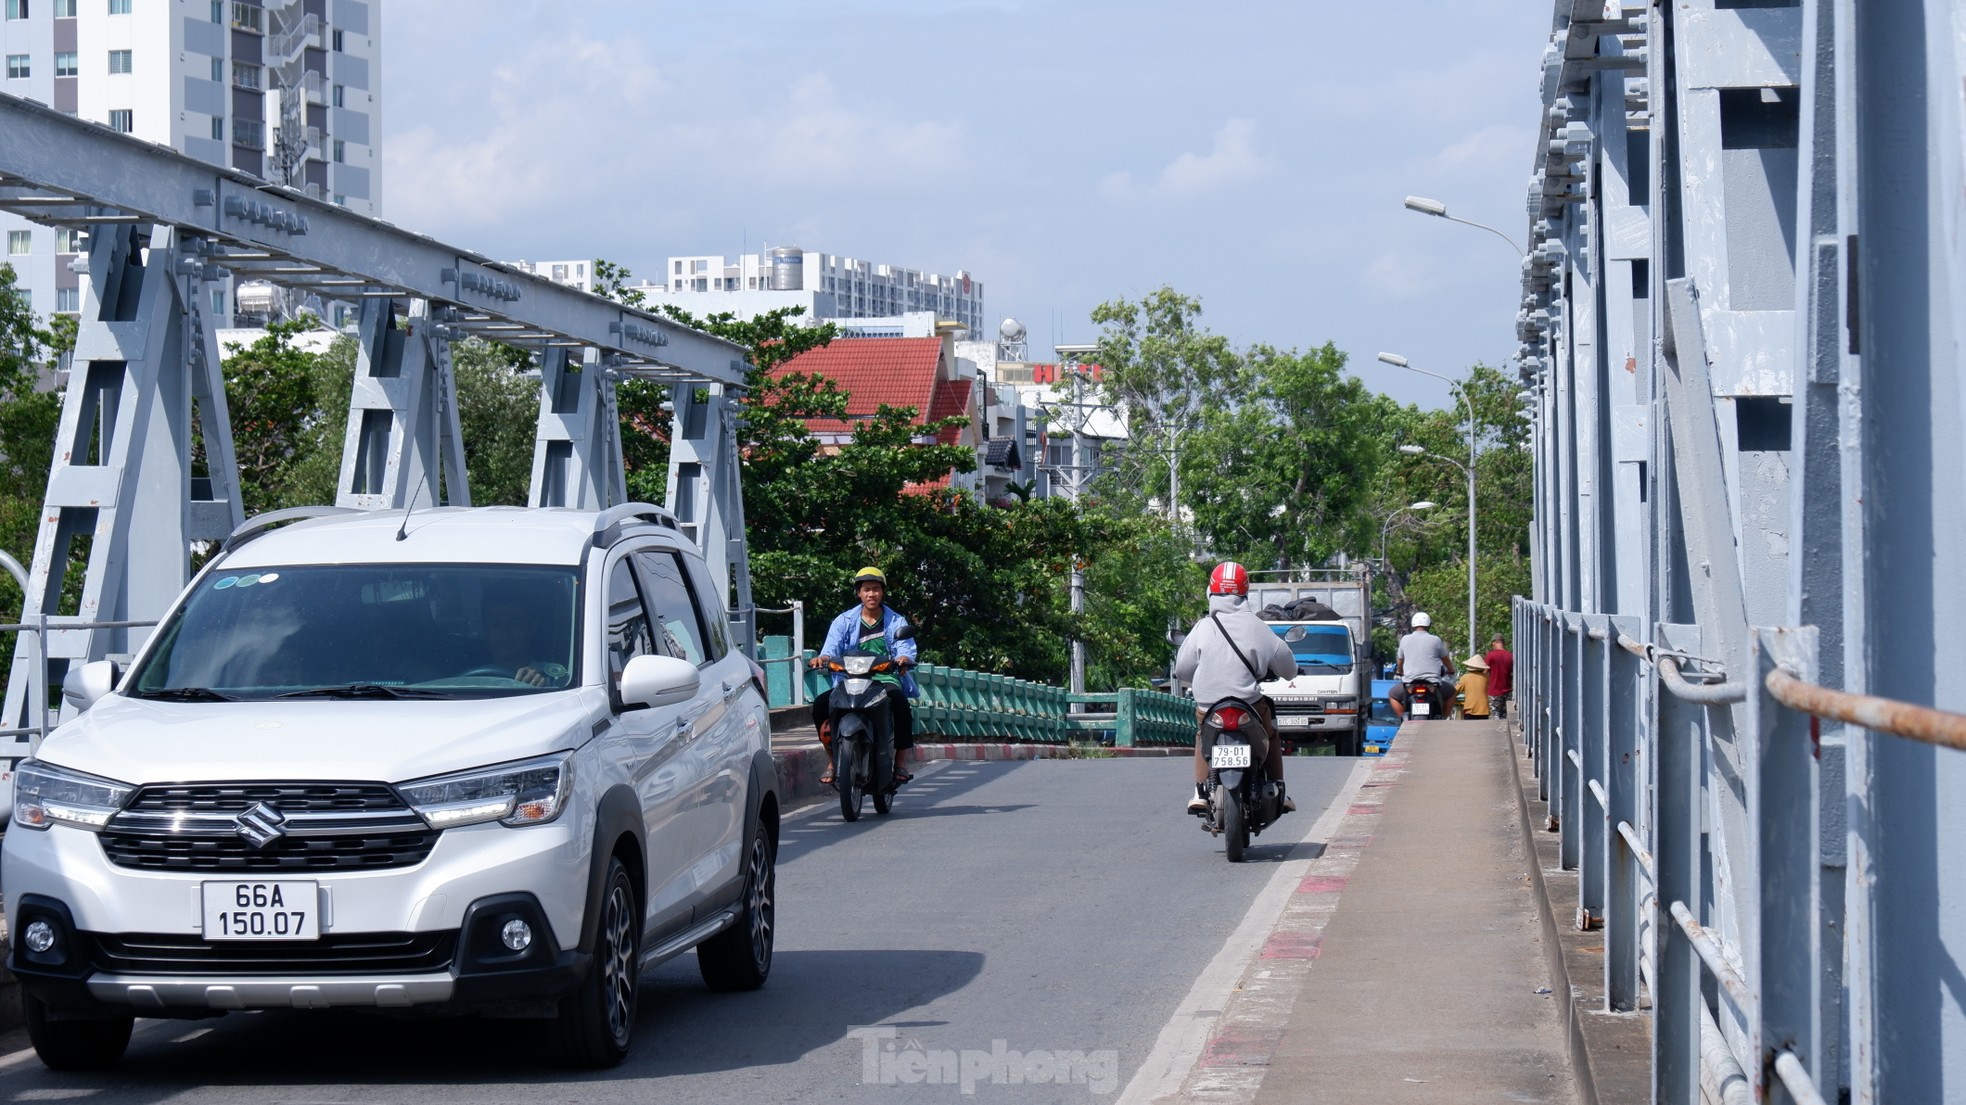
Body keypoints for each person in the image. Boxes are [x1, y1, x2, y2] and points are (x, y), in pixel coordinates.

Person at [1172, 561, 1298, 816]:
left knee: (1201, 735)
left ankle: (1199, 791)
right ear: (1245, 593)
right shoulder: (1258, 627)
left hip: (1209, 708)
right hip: (1248, 704)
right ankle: (1277, 787)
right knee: (1271, 733)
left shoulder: (1202, 627)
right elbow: (1289, 668)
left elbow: (1182, 670)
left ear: (1211, 592)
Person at [809, 566, 919, 787]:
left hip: (884, 680)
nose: (871, 594)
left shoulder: (897, 621)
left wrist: (904, 659)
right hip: (849, 679)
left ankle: (900, 761)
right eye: (866, 589)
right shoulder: (844, 621)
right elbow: (830, 648)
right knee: (821, 705)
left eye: (876, 589)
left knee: (899, 703)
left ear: (883, 592)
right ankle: (832, 761)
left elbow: (905, 648)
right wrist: (822, 659)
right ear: (859, 593)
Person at [482, 589, 570, 687]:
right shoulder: (469, 683)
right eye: (496, 624)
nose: (505, 633)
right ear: (485, 629)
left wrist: (543, 690)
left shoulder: (555, 680)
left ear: (532, 627)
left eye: (515, 624)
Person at [1393, 611, 1455, 716]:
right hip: (1433, 683)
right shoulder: (1436, 640)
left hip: (1410, 682)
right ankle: (1443, 717)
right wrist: (1451, 670)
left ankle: (1403, 719)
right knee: (1452, 692)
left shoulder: (1405, 639)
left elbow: (1400, 660)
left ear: (1413, 625)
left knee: (1392, 695)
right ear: (1429, 625)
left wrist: (1399, 671)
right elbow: (1445, 659)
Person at [1485, 634, 1515, 719]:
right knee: (1505, 717)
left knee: (1495, 717)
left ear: (1494, 643)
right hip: (1508, 691)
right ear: (1503, 643)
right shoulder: (1510, 656)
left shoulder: (1490, 655)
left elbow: (1485, 671)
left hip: (1494, 691)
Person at [1456, 655, 1490, 719]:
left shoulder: (1465, 678)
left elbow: (1454, 691)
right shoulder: (1486, 677)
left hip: (1470, 710)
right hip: (1484, 710)